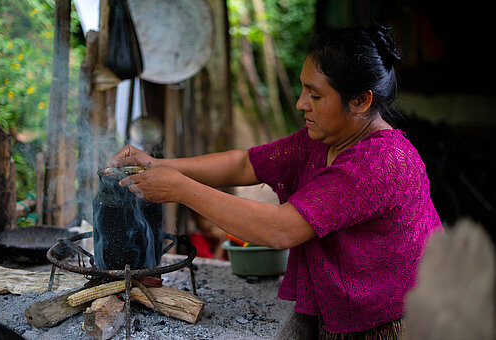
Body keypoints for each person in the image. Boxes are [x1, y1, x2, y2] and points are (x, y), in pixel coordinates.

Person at [111, 23, 443, 339]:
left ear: (361, 101)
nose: (301, 104)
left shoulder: (380, 161)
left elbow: (281, 229)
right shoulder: (325, 138)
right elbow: (245, 163)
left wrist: (180, 189)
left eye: (315, 95)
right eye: (303, 89)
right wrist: (159, 163)